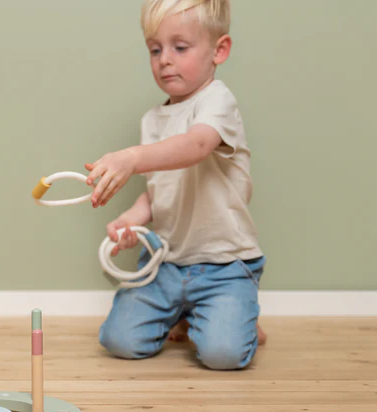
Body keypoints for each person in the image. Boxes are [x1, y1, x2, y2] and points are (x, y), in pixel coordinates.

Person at [86, 0, 266, 370]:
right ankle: (186, 311)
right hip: (166, 263)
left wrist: (132, 157)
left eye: (180, 47)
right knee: (119, 341)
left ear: (219, 51)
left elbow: (196, 146)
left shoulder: (218, 101)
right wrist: (131, 220)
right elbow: (160, 189)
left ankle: (236, 314)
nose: (165, 59)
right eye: (155, 50)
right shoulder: (152, 120)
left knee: (222, 355)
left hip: (224, 265)